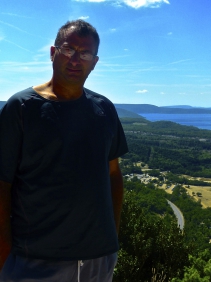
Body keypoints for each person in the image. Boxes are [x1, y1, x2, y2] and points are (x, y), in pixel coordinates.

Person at [0, 19, 128, 281]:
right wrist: (3, 251)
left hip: (98, 260)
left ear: (94, 62)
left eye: (85, 53)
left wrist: (111, 238)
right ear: (52, 53)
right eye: (68, 49)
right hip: (34, 260)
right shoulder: (21, 108)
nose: (75, 59)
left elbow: (113, 174)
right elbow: (1, 184)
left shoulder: (104, 109)